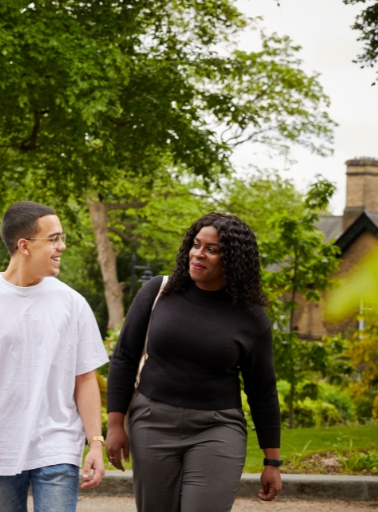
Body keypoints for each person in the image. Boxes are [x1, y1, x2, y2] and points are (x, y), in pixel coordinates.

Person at [106, 212, 282, 512]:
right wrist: (115, 425)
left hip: (217, 429)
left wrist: (272, 462)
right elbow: (124, 357)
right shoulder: (159, 292)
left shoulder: (251, 318)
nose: (199, 254)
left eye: (212, 249)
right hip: (151, 423)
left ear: (234, 259)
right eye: (196, 244)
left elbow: (262, 390)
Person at [0, 201, 109, 512]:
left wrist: (95, 441)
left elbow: (85, 378)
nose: (62, 246)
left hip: (59, 446)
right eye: (54, 238)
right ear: (24, 245)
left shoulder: (73, 304)